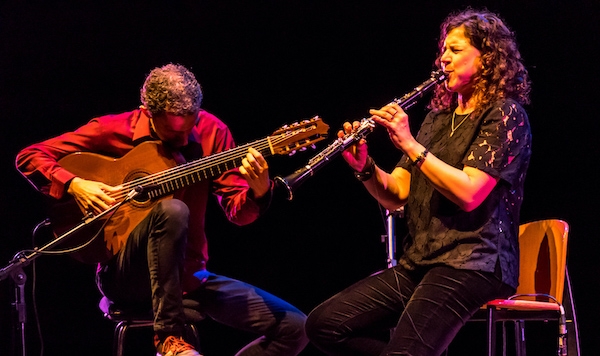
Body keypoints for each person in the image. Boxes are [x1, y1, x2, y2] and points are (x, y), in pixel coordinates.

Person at [16, 63, 308, 356]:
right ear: (147, 112)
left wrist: (259, 192)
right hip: (126, 275)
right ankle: (168, 338)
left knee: (295, 328)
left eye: (189, 126)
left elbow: (239, 214)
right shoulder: (115, 128)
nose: (182, 138)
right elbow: (29, 156)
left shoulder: (212, 132)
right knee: (173, 211)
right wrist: (76, 184)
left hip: (189, 276)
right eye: (170, 130)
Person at [305, 8, 532, 356]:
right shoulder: (435, 119)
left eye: (455, 50)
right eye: (443, 50)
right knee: (324, 325)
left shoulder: (504, 114)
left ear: (488, 58)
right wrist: (365, 168)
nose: (444, 59)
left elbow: (470, 193)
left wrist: (409, 144)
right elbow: (397, 194)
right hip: (423, 260)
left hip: (475, 262)